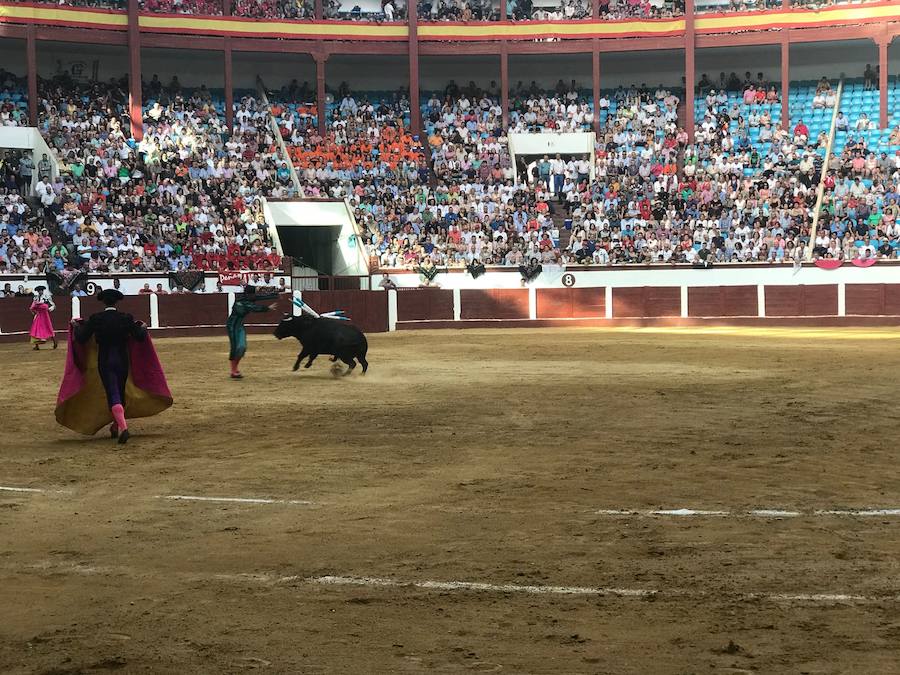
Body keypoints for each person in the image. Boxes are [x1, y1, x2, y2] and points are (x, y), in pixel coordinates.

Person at [56, 289, 172, 444]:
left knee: (112, 392)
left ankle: (123, 427)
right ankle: (115, 426)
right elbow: (139, 336)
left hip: (105, 360)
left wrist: (75, 327)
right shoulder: (125, 318)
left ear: (103, 302)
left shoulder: (96, 319)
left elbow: (82, 338)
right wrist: (143, 327)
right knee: (120, 389)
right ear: (116, 302)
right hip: (122, 360)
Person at [226, 286, 278, 379]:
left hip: (239, 326)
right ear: (249, 294)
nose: (255, 296)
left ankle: (235, 368)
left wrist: (276, 295)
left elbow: (260, 298)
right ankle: (233, 371)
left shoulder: (247, 299)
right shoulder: (240, 302)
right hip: (232, 326)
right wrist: (267, 308)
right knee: (234, 348)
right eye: (253, 294)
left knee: (242, 347)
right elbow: (252, 307)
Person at [29, 285, 57, 350]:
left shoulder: (47, 297)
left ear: (43, 291)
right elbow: (32, 306)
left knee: (48, 327)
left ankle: (55, 342)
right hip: (38, 315)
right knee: (36, 329)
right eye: (39, 291)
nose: (40, 292)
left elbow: (53, 305)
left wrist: (49, 309)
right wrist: (33, 311)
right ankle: (37, 346)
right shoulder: (36, 298)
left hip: (45, 315)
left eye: (41, 290)